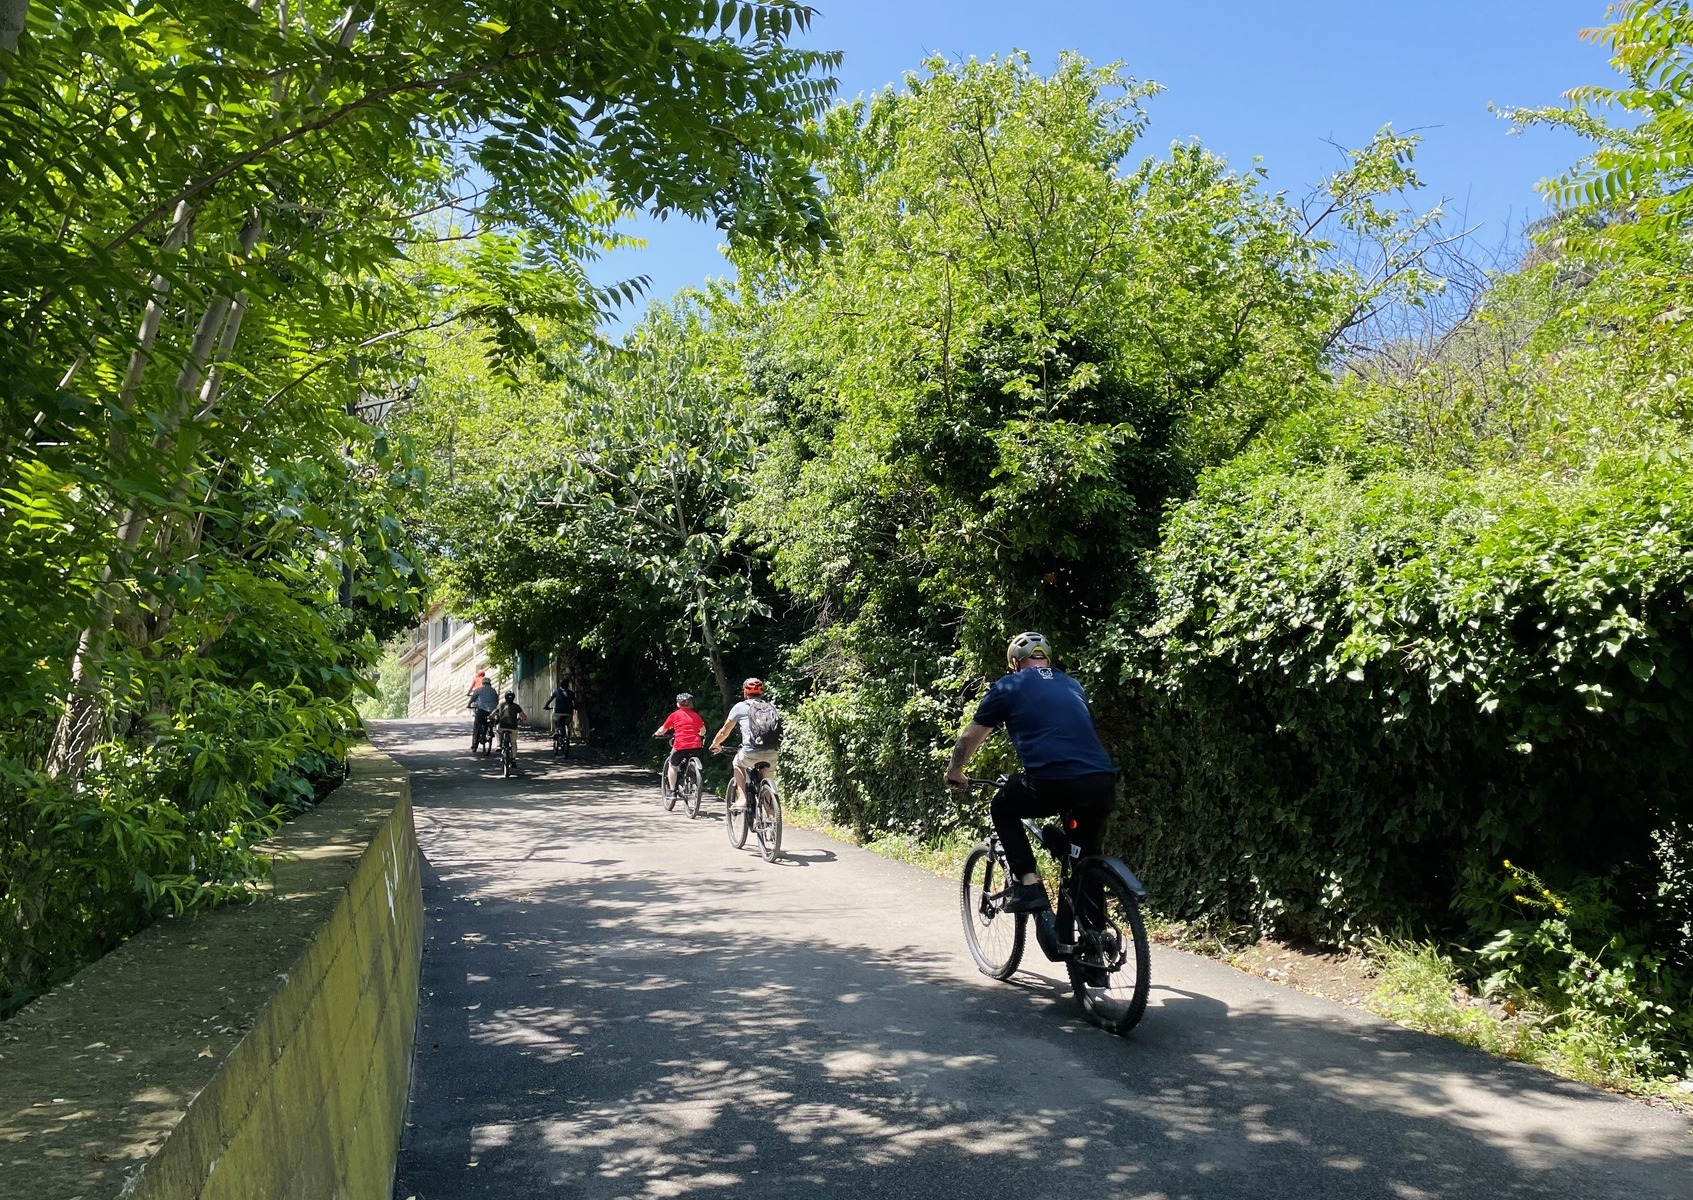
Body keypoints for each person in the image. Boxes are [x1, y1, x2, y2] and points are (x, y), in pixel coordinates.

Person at [944, 632, 1115, 914]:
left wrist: (955, 770)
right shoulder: (1072, 684)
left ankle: (1027, 884)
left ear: (1015, 661)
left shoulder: (1009, 685)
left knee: (1003, 806)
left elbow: (970, 738)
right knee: (1086, 859)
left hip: (1051, 782)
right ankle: (1095, 943)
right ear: (1047, 659)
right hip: (1101, 780)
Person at [708, 677, 784, 805]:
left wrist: (715, 744)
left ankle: (742, 798)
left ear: (744, 692)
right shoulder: (770, 706)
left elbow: (724, 731)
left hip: (750, 752)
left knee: (737, 763)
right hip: (772, 751)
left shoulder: (740, 707)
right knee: (768, 784)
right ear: (762, 692)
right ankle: (772, 815)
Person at [652, 693, 706, 794]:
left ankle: (672, 790)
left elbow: (663, 730)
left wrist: (656, 734)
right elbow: (703, 731)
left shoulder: (674, 715)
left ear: (678, 704)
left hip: (680, 745)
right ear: (690, 704)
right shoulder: (696, 716)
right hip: (696, 745)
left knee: (672, 765)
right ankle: (693, 777)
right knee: (689, 758)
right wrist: (699, 734)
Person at [467, 674, 499, 752]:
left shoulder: (478, 690)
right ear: (489, 683)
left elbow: (472, 698)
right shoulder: (493, 690)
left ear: (483, 683)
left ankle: (474, 745)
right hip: (492, 711)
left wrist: (468, 705)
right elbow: (497, 700)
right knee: (495, 721)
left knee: (476, 726)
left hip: (482, 710)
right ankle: (490, 730)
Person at [544, 677, 576, 750]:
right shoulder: (571, 693)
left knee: (554, 719)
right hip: (568, 713)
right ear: (568, 685)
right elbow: (575, 701)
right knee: (568, 724)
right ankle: (568, 738)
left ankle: (555, 731)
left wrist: (546, 706)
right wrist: (575, 707)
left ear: (561, 685)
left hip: (558, 712)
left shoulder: (557, 692)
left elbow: (550, 700)